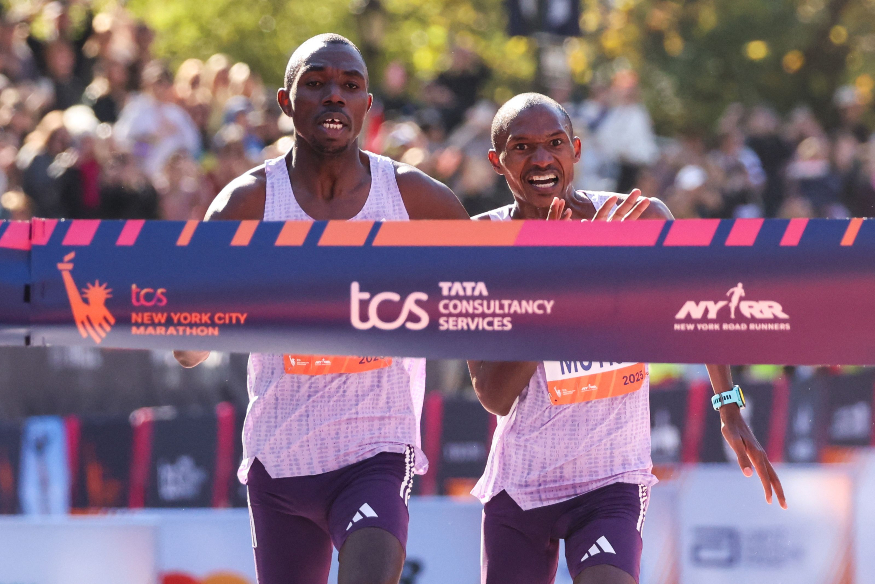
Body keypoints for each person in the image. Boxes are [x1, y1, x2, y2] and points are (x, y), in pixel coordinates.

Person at [173, 34, 468, 584]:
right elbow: (189, 350)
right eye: (316, 84)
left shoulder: (414, 199)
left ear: (366, 105)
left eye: (349, 87)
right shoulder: (247, 204)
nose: (334, 96)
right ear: (286, 102)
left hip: (377, 448)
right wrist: (191, 307)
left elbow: (497, 286)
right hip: (281, 459)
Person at [468, 93, 786, 584]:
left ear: (575, 150)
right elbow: (494, 396)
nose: (541, 159)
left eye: (554, 143)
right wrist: (562, 284)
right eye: (522, 147)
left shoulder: (640, 220)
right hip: (521, 485)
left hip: (610, 479)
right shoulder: (480, 245)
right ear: (497, 161)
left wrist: (729, 407)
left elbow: (698, 310)